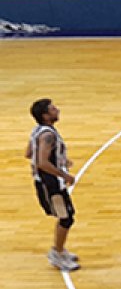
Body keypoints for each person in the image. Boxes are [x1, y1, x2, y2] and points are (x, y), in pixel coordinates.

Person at [25, 99, 80, 271]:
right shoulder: (47, 135)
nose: (57, 110)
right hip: (51, 183)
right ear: (45, 115)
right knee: (66, 217)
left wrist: (60, 159)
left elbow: (28, 153)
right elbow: (41, 162)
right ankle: (56, 253)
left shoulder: (38, 131)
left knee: (65, 215)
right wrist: (65, 174)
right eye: (53, 109)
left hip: (46, 181)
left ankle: (60, 250)